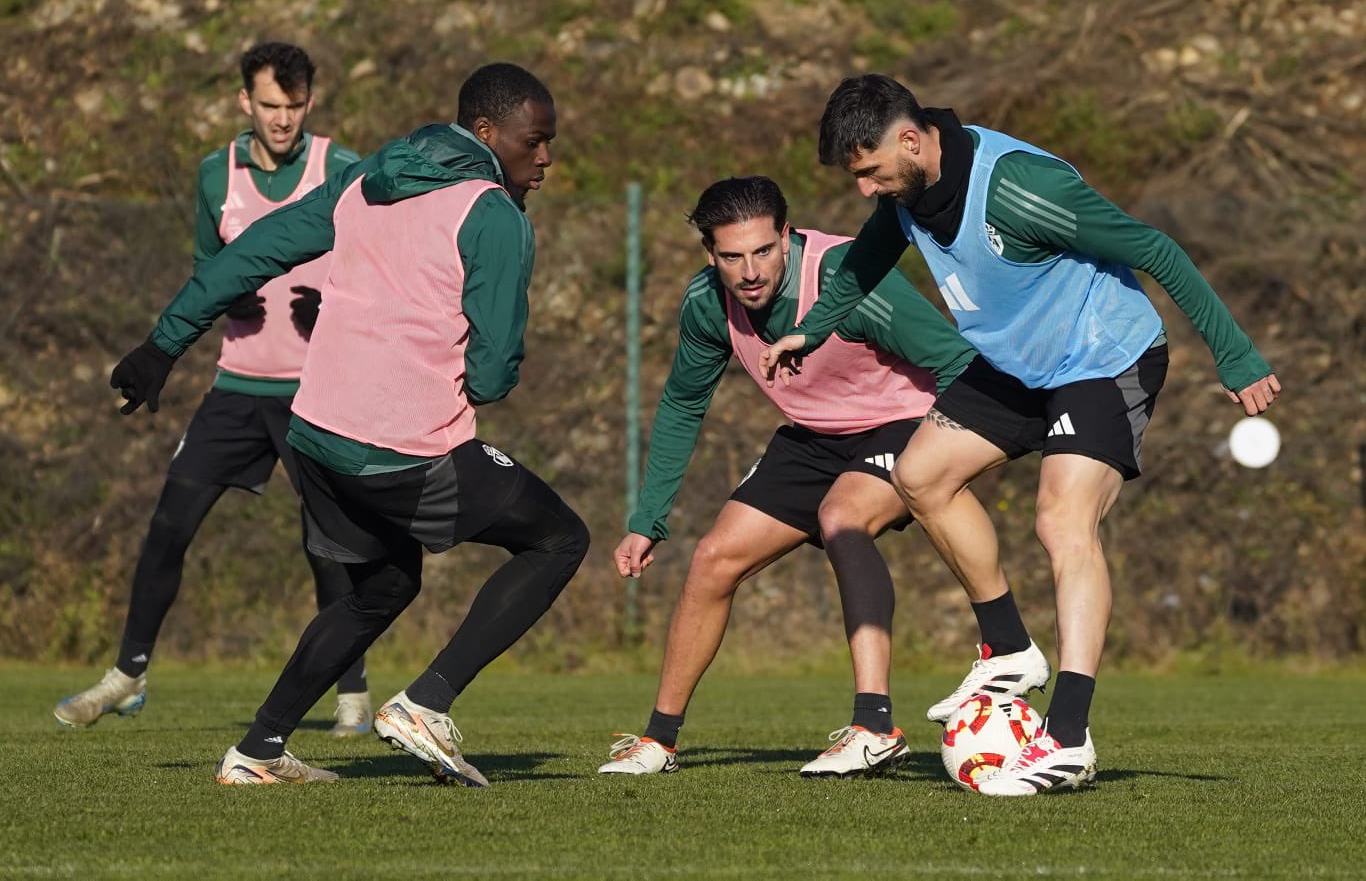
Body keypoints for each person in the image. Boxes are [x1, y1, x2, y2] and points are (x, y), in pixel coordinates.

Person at [760, 74, 1281, 795]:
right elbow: (861, 265)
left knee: (1061, 519)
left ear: (910, 141)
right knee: (919, 475)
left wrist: (1236, 353)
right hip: (1014, 365)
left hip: (1102, 358)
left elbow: (1154, 248)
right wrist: (808, 332)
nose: (865, 190)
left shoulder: (1020, 190)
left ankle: (1067, 736)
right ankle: (1009, 649)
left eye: (870, 172)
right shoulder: (909, 193)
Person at [108, 62, 589, 787]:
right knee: (558, 537)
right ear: (487, 134)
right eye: (536, 141)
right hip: (406, 450)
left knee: (383, 588)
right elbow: (492, 376)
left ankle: (259, 752)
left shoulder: (367, 178)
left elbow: (254, 253)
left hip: (316, 437)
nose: (545, 158)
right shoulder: (492, 213)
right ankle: (427, 703)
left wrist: (162, 344)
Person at [598, 175, 1008, 779]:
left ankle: (874, 726)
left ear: (786, 237)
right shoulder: (708, 303)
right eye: (732, 257)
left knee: (841, 516)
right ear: (709, 255)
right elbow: (684, 404)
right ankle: (659, 740)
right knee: (713, 559)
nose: (751, 271)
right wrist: (647, 520)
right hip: (813, 438)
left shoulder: (847, 277)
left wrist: (942, 463)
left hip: (905, 422)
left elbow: (955, 361)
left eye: (764, 250)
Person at [54, 42, 373, 735]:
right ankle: (127, 675)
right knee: (170, 526)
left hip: (315, 392)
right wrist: (171, 348)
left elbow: (371, 266)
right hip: (235, 388)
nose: (281, 119)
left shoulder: (341, 170)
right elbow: (207, 275)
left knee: (329, 540)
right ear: (243, 103)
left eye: (293, 106)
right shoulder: (214, 176)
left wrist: (339, 312)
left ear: (310, 104)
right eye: (268, 105)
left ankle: (353, 691)